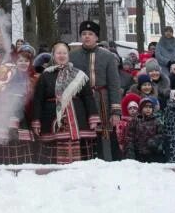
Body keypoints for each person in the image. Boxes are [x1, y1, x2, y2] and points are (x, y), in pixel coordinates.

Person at [32, 41, 100, 164]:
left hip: (77, 119)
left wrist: (92, 118)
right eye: (59, 53)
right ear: (53, 55)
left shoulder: (79, 75)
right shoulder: (45, 76)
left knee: (80, 158)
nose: (61, 56)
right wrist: (36, 121)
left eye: (64, 53)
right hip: (51, 118)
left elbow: (88, 97)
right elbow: (38, 100)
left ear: (68, 55)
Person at [69, 21, 122, 160]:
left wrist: (115, 111)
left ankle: (108, 163)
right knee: (83, 134)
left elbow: (114, 85)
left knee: (105, 136)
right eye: (84, 34)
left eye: (90, 34)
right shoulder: (72, 57)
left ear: (96, 37)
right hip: (81, 102)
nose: (87, 37)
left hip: (102, 101)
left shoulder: (108, 56)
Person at [125, 97, 163, 163]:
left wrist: (154, 140)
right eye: (145, 107)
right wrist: (130, 150)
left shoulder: (157, 121)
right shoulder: (135, 120)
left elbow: (161, 134)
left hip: (152, 153)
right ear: (141, 108)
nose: (148, 109)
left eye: (150, 107)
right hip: (138, 153)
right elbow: (129, 136)